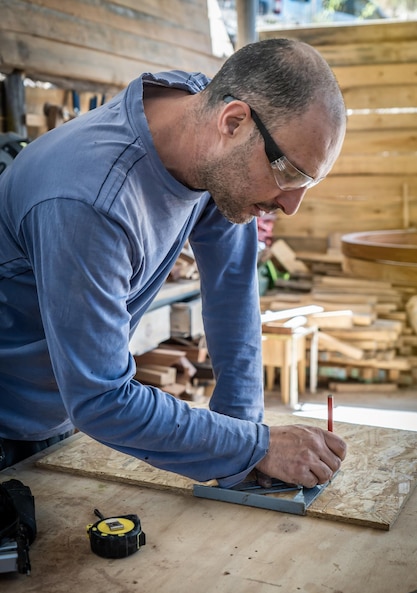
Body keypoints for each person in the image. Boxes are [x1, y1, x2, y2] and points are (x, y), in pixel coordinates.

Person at [0, 38, 347, 486]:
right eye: (289, 174)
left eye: (308, 183)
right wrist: (257, 446)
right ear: (234, 121)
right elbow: (102, 400)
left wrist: (246, 449)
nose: (292, 205)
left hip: (58, 415)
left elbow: (231, 293)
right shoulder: (88, 200)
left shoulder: (203, 128)